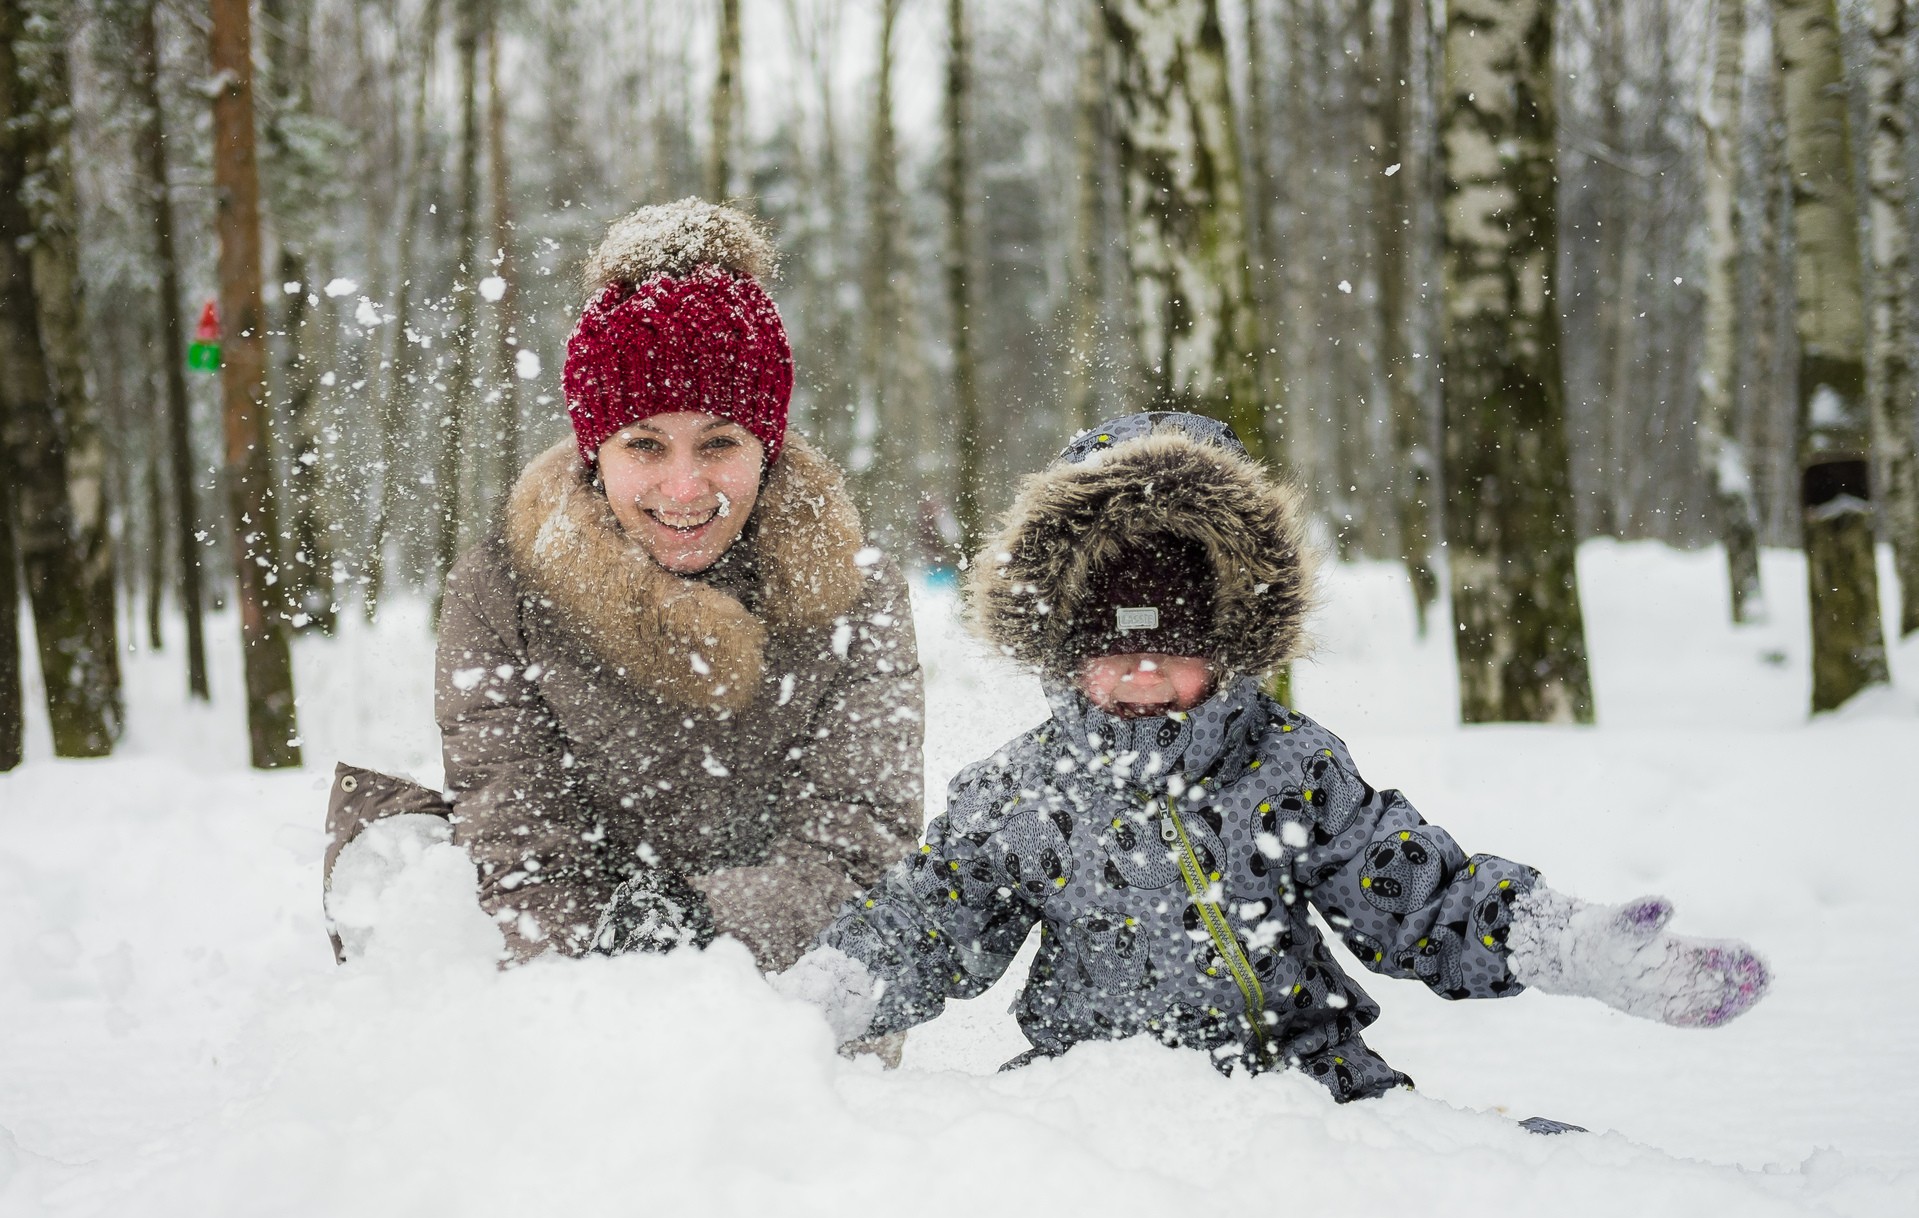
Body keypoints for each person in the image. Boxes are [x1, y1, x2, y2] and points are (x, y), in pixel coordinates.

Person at [774, 412, 1768, 1105]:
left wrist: (1568, 944)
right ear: (1060, 645)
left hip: (1305, 1089)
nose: (1142, 673)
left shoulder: (1286, 770)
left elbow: (1420, 897)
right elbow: (928, 915)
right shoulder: (1017, 794)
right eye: (1111, 645)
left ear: (1235, 635)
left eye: (1173, 641)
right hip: (1094, 1092)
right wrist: (825, 996)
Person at [323, 199, 923, 975]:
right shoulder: (505, 587)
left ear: (765, 447)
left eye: (718, 443)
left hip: (786, 997)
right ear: (594, 451)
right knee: (412, 863)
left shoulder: (851, 585)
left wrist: (696, 931)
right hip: (574, 980)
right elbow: (518, 839)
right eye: (644, 444)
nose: (684, 488)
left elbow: (860, 844)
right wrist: (615, 971)